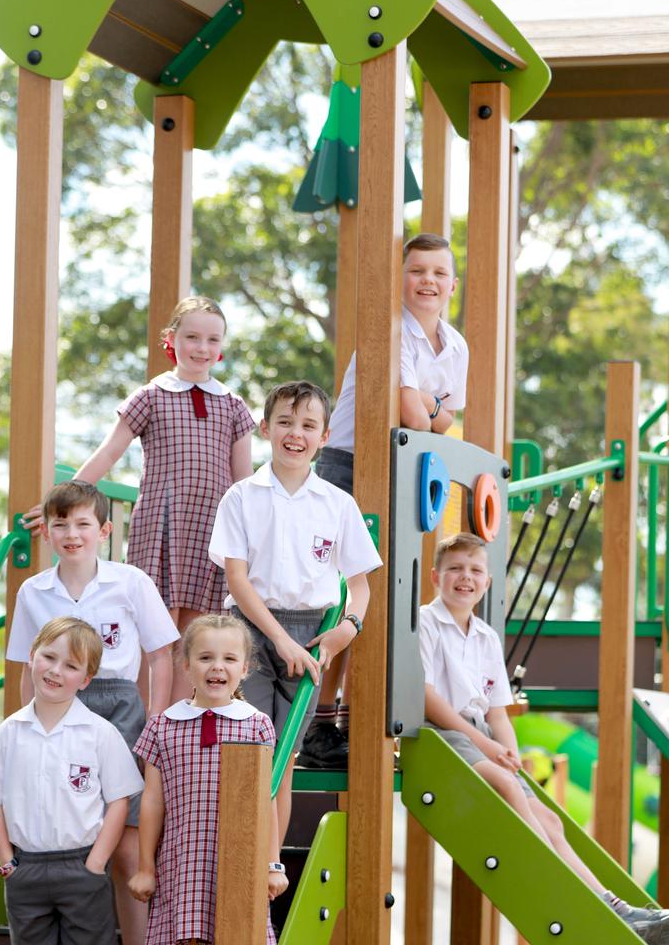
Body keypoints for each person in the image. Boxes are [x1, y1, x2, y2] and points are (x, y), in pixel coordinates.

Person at [421, 532, 669, 945]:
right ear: (435, 576)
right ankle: (577, 894)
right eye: (455, 569)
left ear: (486, 582)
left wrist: (511, 753)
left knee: (550, 818)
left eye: (475, 571)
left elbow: (497, 712)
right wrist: (489, 749)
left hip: (479, 732)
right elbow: (428, 699)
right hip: (442, 733)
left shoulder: (485, 636)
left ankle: (615, 907)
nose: (466, 578)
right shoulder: (426, 623)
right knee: (507, 790)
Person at [22, 295, 255, 702]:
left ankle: (182, 719)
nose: (202, 348)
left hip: (213, 529)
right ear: (172, 338)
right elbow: (110, 452)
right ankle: (148, 723)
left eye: (212, 340)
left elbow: (244, 480)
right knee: (156, 628)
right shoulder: (152, 395)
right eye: (192, 337)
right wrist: (59, 505)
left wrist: (253, 538)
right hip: (161, 526)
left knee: (197, 633)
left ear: (221, 346)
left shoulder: (233, 405)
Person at [301, 232, 469, 769]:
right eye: (417, 270)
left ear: (452, 283)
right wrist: (424, 403)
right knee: (340, 596)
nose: (428, 281)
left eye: (439, 273)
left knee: (381, 599)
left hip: (398, 469)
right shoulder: (391, 330)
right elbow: (421, 418)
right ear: (402, 278)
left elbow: (443, 421)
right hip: (348, 467)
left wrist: (423, 403)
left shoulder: (455, 345)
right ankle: (317, 724)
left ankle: (349, 718)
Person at [208, 380, 382, 842]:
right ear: (266, 427)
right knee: (249, 754)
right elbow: (237, 580)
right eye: (285, 422)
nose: (295, 434)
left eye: (308, 425)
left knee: (282, 761)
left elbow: (360, 585)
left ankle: (269, 865)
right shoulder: (241, 497)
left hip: (311, 640)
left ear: (324, 437)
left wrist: (348, 627)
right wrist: (278, 640)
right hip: (248, 634)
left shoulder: (338, 504)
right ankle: (234, 866)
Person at [6, 480, 179, 945]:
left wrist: (155, 720)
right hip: (58, 710)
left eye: (83, 523)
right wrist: (29, 724)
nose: (71, 533)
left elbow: (162, 654)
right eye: (60, 523)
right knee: (70, 834)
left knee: (125, 847)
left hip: (120, 710)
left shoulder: (129, 581)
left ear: (103, 530)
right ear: (47, 532)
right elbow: (28, 666)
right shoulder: (33, 592)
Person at [0, 617, 144, 945]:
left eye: (70, 665)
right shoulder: (8, 733)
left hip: (82, 865)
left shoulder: (100, 734)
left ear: (85, 679)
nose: (55, 670)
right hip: (26, 868)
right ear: (32, 656)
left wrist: (96, 862)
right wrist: (8, 861)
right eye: (49, 657)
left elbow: (120, 801)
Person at [128, 614, 287, 944]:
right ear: (186, 666)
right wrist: (145, 868)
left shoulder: (256, 724)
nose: (217, 667)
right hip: (182, 863)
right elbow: (152, 800)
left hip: (240, 862)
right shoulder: (163, 726)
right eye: (205, 658)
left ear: (245, 668)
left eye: (229, 659)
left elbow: (265, 801)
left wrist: (274, 864)